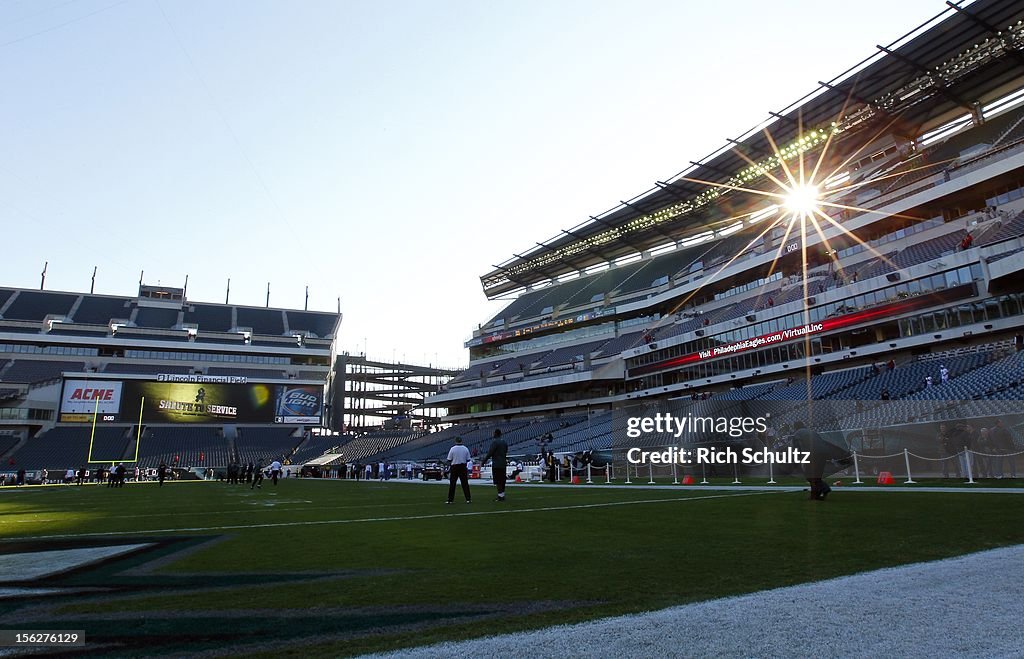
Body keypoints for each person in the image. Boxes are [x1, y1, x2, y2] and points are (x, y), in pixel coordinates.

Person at [792, 421, 830, 501]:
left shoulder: (797, 434)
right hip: (824, 452)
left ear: (795, 427)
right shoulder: (812, 432)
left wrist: (797, 460)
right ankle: (816, 495)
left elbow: (797, 448)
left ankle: (824, 488)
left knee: (809, 475)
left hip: (813, 453)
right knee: (816, 475)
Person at [480, 429, 509, 502]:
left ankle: (500, 496)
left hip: (496, 463)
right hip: (503, 463)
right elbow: (506, 451)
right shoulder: (504, 442)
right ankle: (502, 494)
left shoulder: (495, 442)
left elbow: (490, 453)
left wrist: (483, 461)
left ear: (496, 434)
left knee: (498, 480)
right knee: (502, 480)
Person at [445, 437, 472, 504]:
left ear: (455, 441)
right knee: (465, 483)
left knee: (452, 484)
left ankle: (450, 499)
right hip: (463, 466)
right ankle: (468, 499)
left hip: (454, 466)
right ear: (461, 441)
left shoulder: (453, 449)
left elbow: (449, 459)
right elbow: (468, 459)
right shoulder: (465, 448)